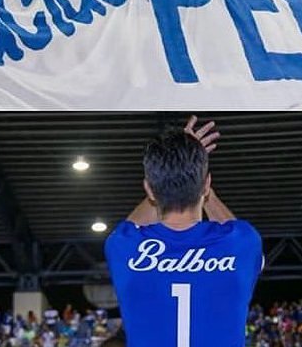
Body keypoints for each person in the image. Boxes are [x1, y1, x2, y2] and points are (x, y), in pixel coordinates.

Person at [105, 116, 263, 346]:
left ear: (149, 188)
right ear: (207, 184)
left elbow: (128, 227)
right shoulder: (244, 244)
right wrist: (194, 174)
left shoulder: (122, 248)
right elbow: (235, 231)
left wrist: (168, 176)